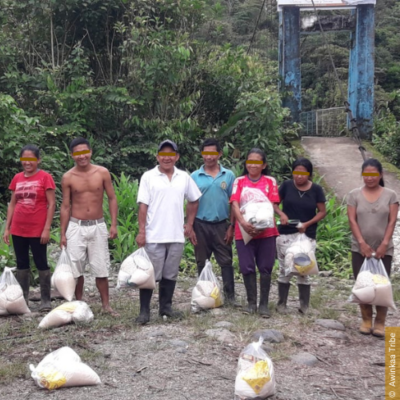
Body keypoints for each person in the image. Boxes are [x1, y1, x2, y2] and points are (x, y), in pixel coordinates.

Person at [135, 139, 201, 324]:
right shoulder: (148, 176)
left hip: (176, 235)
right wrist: (142, 231)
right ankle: (144, 312)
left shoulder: (184, 177)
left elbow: (194, 200)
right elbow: (143, 206)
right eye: (163, 154)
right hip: (154, 234)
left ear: (177, 157)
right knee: (149, 274)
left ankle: (166, 308)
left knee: (170, 274)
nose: (167, 158)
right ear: (157, 157)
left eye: (171, 154)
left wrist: (189, 223)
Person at [60, 137, 119, 316]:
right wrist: (62, 233)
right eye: (77, 153)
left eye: (84, 151)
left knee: (100, 267)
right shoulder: (68, 177)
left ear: (90, 152)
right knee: (76, 269)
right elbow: (65, 206)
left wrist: (113, 224)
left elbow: (112, 198)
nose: (82, 156)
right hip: (76, 225)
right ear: (72, 155)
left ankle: (106, 305)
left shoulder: (102, 173)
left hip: (97, 225)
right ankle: (78, 304)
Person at [347, 158, 398, 338]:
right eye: (366, 174)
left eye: (373, 174)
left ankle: (380, 322)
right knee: (363, 283)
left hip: (384, 248)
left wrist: (384, 243)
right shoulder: (354, 195)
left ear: (380, 174)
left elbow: (392, 221)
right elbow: (352, 220)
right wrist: (361, 243)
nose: (369, 178)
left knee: (382, 284)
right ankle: (366, 319)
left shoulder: (391, 195)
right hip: (359, 248)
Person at [3, 144, 56, 311]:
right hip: (18, 229)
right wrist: (7, 228)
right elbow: (12, 204)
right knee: (21, 263)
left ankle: (45, 300)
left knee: (41, 262)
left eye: (31, 159)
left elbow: (52, 203)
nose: (27, 162)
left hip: (37, 229)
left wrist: (47, 228)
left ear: (38, 160)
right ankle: (23, 299)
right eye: (24, 159)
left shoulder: (45, 177)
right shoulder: (17, 178)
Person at [230, 148, 280, 317]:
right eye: (250, 161)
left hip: (267, 231)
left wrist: (261, 225)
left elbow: (272, 204)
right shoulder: (239, 181)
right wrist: (243, 223)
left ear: (264, 165)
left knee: (266, 267)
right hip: (243, 231)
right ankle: (251, 303)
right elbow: (234, 204)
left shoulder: (270, 181)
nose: (253, 165)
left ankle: (264, 304)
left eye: (257, 162)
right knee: (246, 266)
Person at [274, 158, 326, 314]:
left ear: (309, 174)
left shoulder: (316, 190)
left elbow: (322, 212)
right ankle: (281, 304)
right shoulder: (286, 186)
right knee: (285, 269)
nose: (299, 176)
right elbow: (274, 203)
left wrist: (307, 224)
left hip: (306, 235)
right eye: (296, 172)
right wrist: (281, 214)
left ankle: (304, 305)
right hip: (286, 234)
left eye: (303, 173)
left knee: (304, 269)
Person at [190, 138, 236, 304]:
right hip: (200, 224)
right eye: (205, 153)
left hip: (222, 225)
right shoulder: (194, 176)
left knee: (226, 261)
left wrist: (231, 226)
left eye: (213, 153)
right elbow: (190, 203)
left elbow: (234, 202)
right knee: (201, 261)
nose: (209, 157)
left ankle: (230, 297)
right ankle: (204, 296)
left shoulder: (228, 175)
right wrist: (190, 227)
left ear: (219, 154)